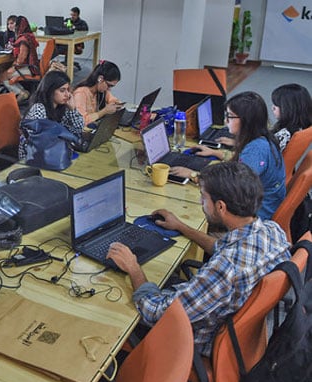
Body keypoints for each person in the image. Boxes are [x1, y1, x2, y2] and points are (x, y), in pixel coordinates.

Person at [107, 162, 290, 357]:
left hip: (192, 342)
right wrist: (181, 226)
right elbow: (220, 247)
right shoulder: (271, 231)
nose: (201, 203)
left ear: (220, 206)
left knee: (112, 302)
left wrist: (133, 267)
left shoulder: (225, 269)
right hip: (241, 332)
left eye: (204, 198)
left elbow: (156, 313)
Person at [170, 92, 286, 220]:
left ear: (246, 120)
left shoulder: (255, 150)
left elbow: (232, 188)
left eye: (230, 117)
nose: (225, 121)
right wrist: (215, 153)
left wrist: (194, 175)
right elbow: (239, 169)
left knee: (190, 211)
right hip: (265, 206)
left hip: (257, 216)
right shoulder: (261, 139)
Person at [22, 70, 86, 158]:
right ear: (50, 90)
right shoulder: (38, 109)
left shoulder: (63, 107)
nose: (67, 95)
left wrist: (72, 109)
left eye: (68, 90)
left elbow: (78, 129)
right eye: (62, 90)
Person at [0, 15, 39, 102]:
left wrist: (12, 68)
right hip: (33, 66)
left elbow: (21, 60)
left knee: (2, 76)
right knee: (4, 71)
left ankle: (21, 92)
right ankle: (21, 92)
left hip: (27, 67)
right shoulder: (29, 35)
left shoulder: (23, 39)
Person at [72, 60, 122, 125]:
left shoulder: (102, 91)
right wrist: (104, 111)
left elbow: (112, 99)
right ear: (100, 79)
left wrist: (116, 104)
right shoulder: (81, 93)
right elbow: (81, 121)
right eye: (109, 85)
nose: (109, 89)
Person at [270, 83, 312, 151]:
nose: (272, 108)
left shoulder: (285, 134)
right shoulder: (305, 125)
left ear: (288, 108)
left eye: (276, 105)